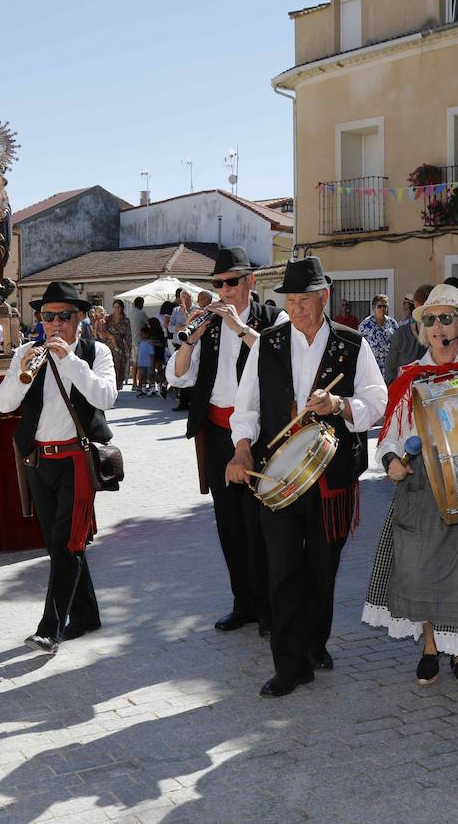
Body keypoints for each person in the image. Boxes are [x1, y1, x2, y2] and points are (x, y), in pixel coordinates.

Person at [226, 256, 387, 697]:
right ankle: (290, 663)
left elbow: (377, 400)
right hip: (277, 477)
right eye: (289, 301)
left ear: (323, 298)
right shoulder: (268, 343)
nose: (294, 310)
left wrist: (339, 406)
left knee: (322, 568)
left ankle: (315, 642)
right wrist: (242, 448)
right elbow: (247, 407)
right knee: (282, 570)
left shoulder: (352, 345)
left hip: (331, 479)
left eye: (303, 301)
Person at [363, 284, 458, 686]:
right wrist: (393, 461)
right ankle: (430, 648)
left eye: (446, 318)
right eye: (429, 320)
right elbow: (391, 435)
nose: (437, 327)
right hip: (421, 492)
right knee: (421, 571)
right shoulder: (411, 378)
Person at [0, 281, 117, 656]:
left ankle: (50, 629)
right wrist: (22, 373)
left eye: (64, 316)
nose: (56, 324)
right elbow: (2, 405)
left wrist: (69, 361)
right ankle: (87, 614)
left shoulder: (96, 353)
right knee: (57, 544)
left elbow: (106, 397)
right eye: (49, 317)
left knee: (68, 543)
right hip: (38, 460)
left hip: (77, 460)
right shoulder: (27, 353)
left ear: (79, 318)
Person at [168, 247, 284, 636]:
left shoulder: (272, 318)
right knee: (229, 525)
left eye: (231, 282)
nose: (224, 290)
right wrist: (190, 339)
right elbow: (178, 377)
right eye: (218, 284)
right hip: (218, 434)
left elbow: (279, 359)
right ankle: (243, 604)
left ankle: (269, 608)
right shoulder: (209, 323)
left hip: (260, 437)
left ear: (251, 282)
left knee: (261, 524)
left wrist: (239, 327)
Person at [383, 284, 433, 383]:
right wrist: (394, 390)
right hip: (404, 391)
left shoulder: (440, 335)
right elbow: (390, 368)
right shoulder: (401, 334)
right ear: (416, 305)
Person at [357, 294, 397, 375]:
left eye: (385, 306)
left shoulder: (392, 323)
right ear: (373, 308)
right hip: (371, 369)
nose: (382, 308)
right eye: (379, 306)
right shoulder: (365, 324)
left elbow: (397, 344)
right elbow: (358, 345)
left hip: (389, 368)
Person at [106, 299, 132, 389]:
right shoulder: (108, 318)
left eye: (118, 307)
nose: (117, 309)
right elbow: (102, 330)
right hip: (108, 345)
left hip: (120, 346)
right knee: (109, 367)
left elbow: (128, 336)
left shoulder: (125, 320)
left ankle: (116, 388)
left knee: (119, 367)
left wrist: (129, 349)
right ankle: (109, 388)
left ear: (122, 308)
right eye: (115, 307)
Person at [133, 326, 154, 396]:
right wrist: (137, 361)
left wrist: (152, 363)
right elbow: (139, 353)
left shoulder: (149, 343)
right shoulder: (140, 343)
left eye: (142, 334)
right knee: (142, 376)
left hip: (148, 363)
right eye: (140, 334)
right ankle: (143, 389)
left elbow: (152, 354)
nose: (141, 335)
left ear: (147, 334)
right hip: (141, 363)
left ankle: (152, 388)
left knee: (150, 376)